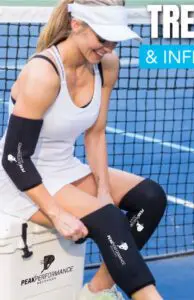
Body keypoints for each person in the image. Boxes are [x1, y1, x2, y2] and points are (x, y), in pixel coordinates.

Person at [0, 0, 167, 299]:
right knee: (109, 219)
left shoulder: (106, 65)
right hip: (20, 178)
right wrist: (56, 214)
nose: (108, 47)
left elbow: (96, 133)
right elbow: (15, 157)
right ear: (76, 25)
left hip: (64, 166)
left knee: (151, 198)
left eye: (114, 39)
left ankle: (96, 293)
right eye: (102, 37)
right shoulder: (44, 73)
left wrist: (103, 189)